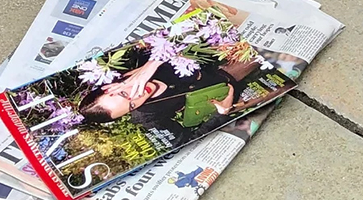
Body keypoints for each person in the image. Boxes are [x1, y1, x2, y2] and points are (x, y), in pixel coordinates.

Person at [77, 44, 286, 143]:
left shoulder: (133, 59)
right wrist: (221, 113)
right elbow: (186, 139)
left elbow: (182, 31)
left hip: (216, 54)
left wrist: (152, 63)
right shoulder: (147, 117)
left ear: (109, 87)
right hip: (223, 84)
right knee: (282, 86)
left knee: (266, 49)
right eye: (132, 105)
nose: (137, 96)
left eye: (124, 94)